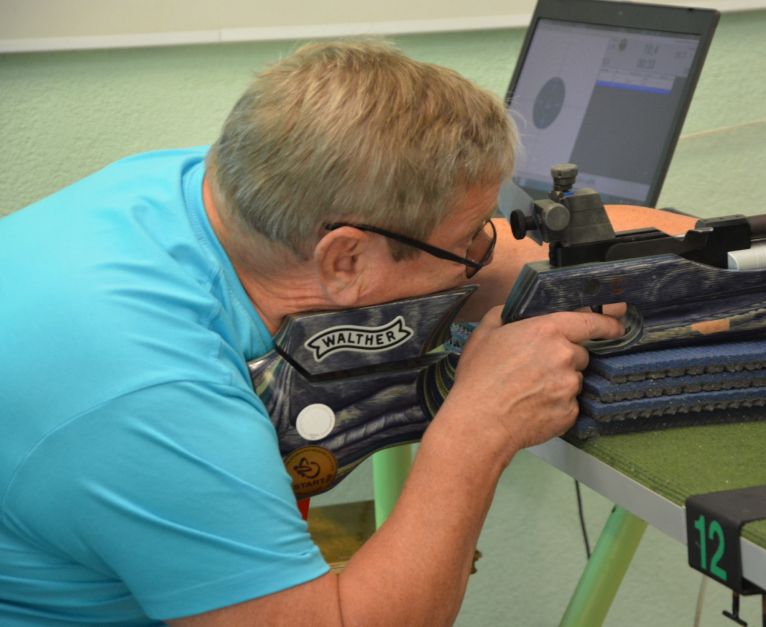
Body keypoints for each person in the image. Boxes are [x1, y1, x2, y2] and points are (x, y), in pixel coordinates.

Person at [0, 40, 630, 626]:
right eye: (470, 239)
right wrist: (478, 428)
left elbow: (505, 261)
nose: (483, 254)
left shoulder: (203, 190)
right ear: (345, 260)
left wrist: (665, 251)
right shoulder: (155, 395)